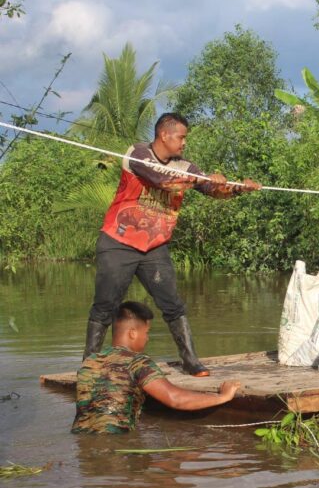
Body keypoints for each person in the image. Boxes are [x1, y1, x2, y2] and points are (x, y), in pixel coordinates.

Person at [82, 112, 261, 376]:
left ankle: (191, 361)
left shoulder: (186, 167)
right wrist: (202, 179)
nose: (184, 143)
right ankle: (90, 365)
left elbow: (212, 191)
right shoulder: (138, 154)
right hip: (118, 241)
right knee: (105, 304)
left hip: (154, 246)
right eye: (181, 137)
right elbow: (162, 181)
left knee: (172, 304)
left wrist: (235, 188)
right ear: (164, 135)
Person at [72, 301, 240, 434]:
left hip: (82, 448)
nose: (147, 339)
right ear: (132, 333)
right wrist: (222, 397)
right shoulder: (137, 362)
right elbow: (175, 399)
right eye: (147, 332)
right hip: (116, 446)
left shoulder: (90, 362)